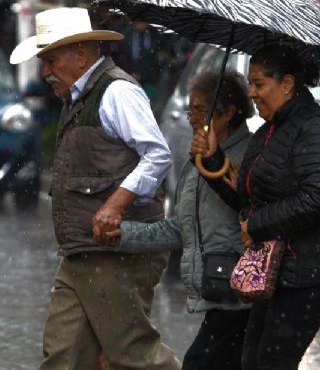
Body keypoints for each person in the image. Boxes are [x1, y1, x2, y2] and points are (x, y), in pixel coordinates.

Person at [8, 6, 180, 370]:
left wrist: (115, 206)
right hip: (82, 251)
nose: (46, 72)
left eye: (51, 60)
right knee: (65, 357)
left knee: (133, 355)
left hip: (115, 252)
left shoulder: (117, 92)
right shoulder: (78, 97)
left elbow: (157, 155)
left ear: (81, 54)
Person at [194, 44, 320, 370]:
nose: (252, 93)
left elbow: (319, 198)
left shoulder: (316, 129)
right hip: (276, 271)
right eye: (250, 84)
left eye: (259, 84)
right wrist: (212, 159)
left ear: (287, 84)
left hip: (311, 271)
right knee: (251, 361)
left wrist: (256, 225)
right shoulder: (269, 131)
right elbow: (248, 197)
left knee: (272, 362)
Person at [102, 70, 255, 370]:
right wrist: (123, 234)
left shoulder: (250, 156)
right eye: (190, 109)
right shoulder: (195, 163)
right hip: (217, 291)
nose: (192, 118)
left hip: (241, 292)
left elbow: (253, 210)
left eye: (200, 109)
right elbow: (180, 228)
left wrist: (217, 163)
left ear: (228, 113)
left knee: (199, 363)